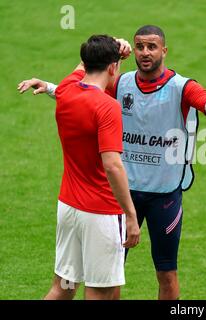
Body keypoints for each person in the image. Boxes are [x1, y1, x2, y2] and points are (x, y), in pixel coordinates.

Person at [18, 25, 206, 300]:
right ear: (128, 54)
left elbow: (203, 99)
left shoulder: (180, 86)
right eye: (140, 46)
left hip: (163, 196)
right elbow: (86, 93)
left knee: (166, 273)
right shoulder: (120, 85)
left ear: (164, 50)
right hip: (120, 197)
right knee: (108, 281)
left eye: (152, 47)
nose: (145, 52)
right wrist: (51, 87)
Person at [19, 35, 140, 300]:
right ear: (113, 68)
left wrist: (111, 46)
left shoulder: (66, 88)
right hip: (101, 213)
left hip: (68, 208)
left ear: (85, 62)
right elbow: (112, 165)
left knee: (63, 287)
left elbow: (80, 67)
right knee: (101, 292)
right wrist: (131, 215)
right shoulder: (108, 107)